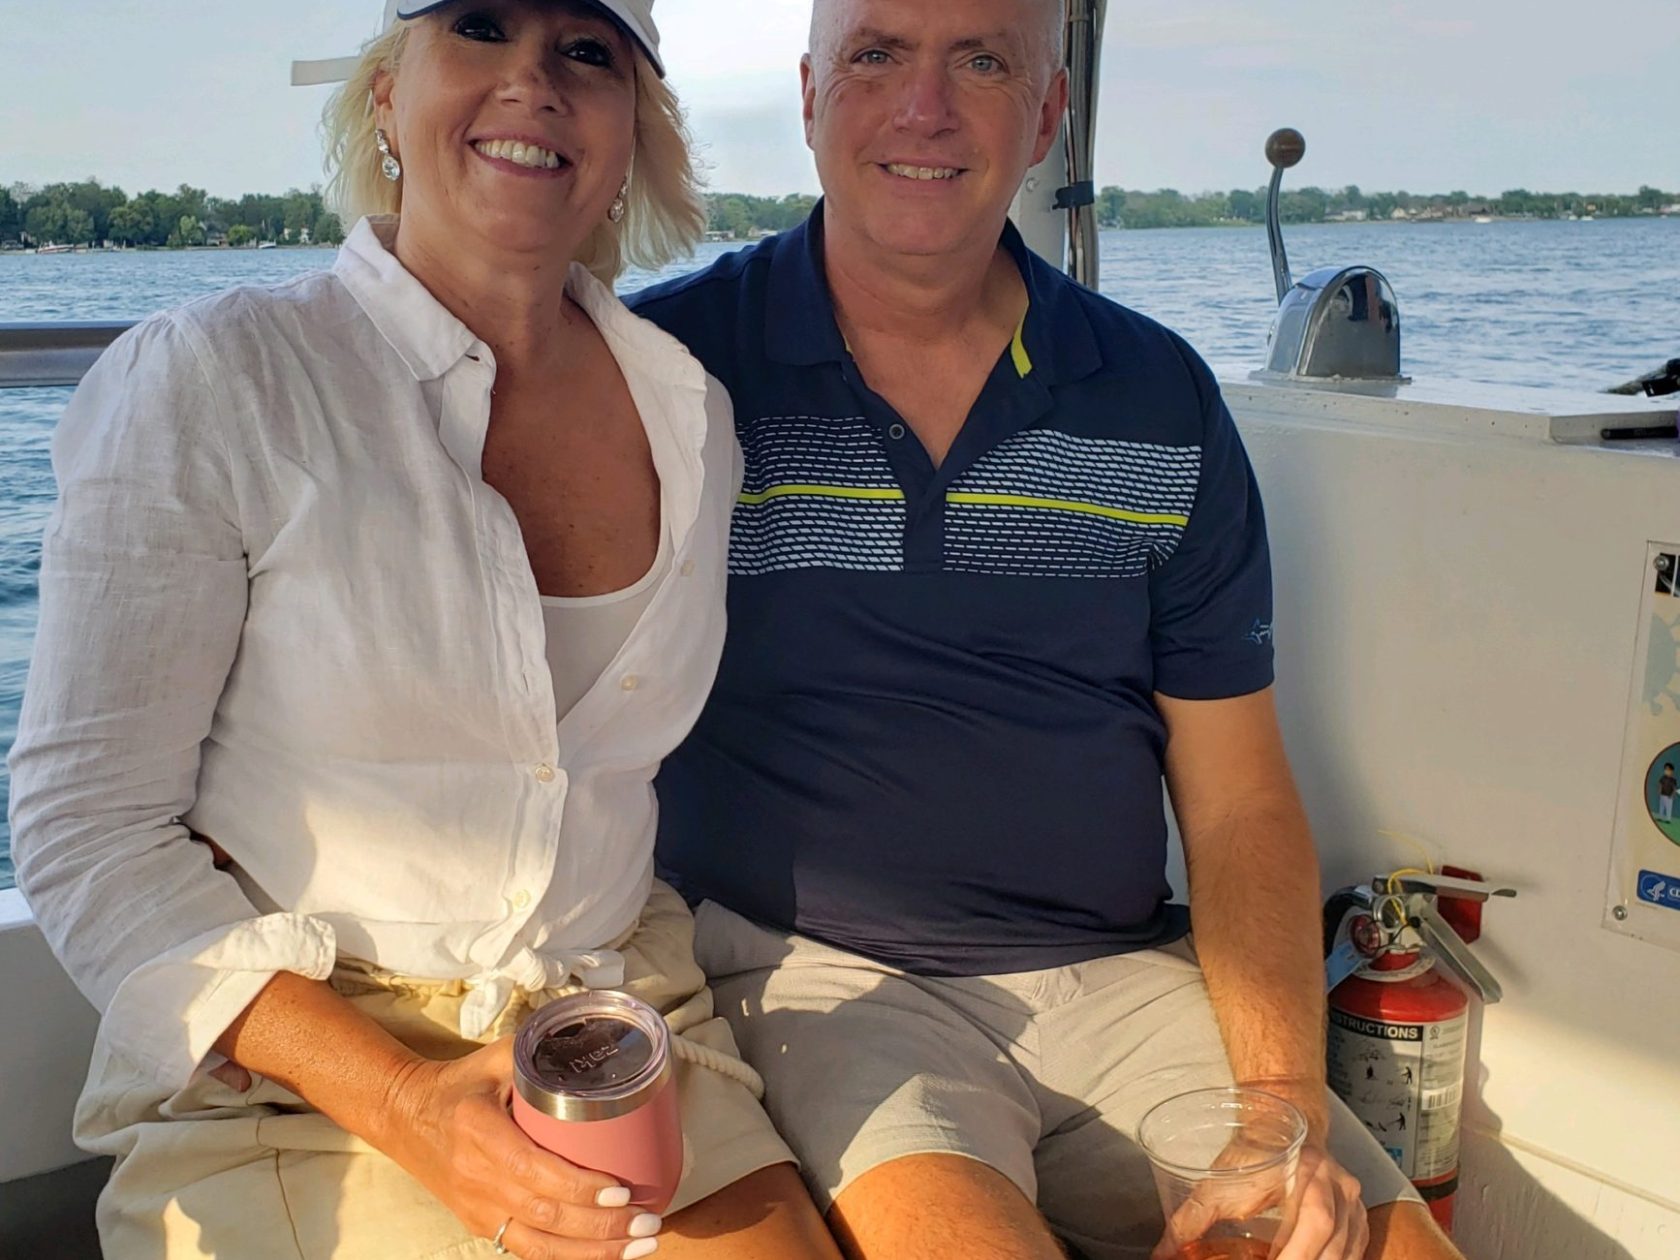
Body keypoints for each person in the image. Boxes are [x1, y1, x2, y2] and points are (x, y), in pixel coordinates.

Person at [630, 0, 1469, 1257]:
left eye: (982, 60)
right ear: (811, 95)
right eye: (877, 56)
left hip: (1124, 982)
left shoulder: (1157, 394)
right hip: (823, 980)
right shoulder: (668, 365)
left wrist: (1279, 1110)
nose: (926, 108)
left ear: (1050, 115)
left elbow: (1237, 795)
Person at [6, 3, 843, 1257]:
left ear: (632, 130)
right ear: (389, 98)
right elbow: (85, 828)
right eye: (483, 27)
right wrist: (400, 1100)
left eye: (587, 51)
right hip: (296, 1070)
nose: (534, 81)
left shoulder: (692, 411)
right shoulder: (215, 377)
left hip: (615, 1017)